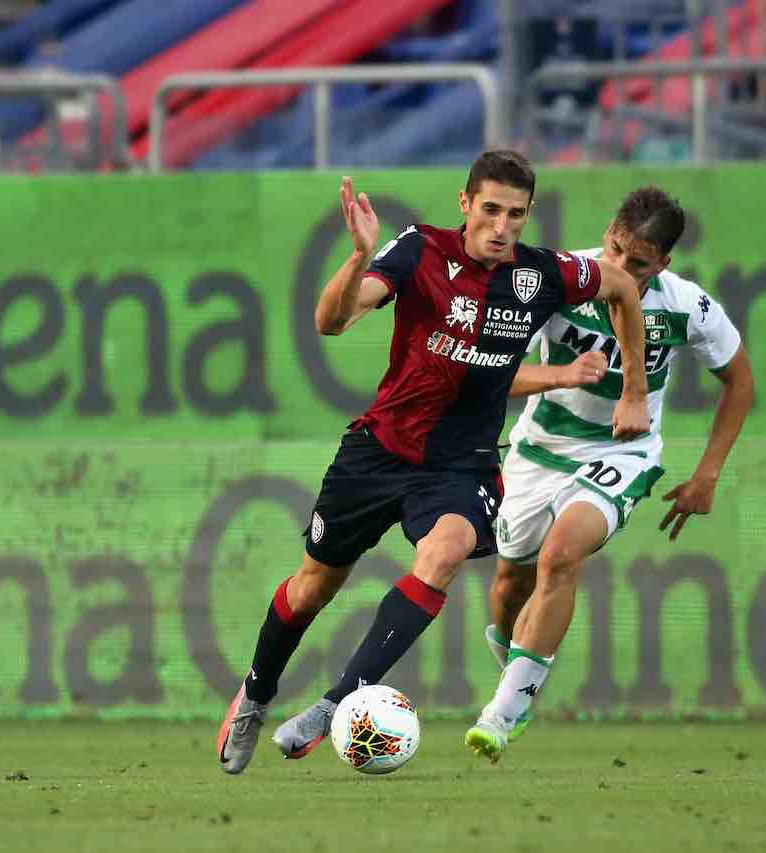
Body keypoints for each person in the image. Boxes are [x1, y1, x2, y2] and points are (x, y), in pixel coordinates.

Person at [217, 150, 654, 775]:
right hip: (378, 450)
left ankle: (336, 703)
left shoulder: (545, 273)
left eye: (517, 215)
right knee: (313, 586)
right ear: (465, 204)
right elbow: (331, 320)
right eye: (491, 210)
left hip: (461, 466)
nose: (503, 227)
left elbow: (621, 288)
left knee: (446, 551)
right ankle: (255, 697)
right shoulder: (421, 250)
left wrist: (635, 387)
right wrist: (359, 254)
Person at [465, 185, 755, 761]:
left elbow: (740, 382)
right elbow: (488, 373)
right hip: (539, 449)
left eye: (639, 263)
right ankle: (520, 669)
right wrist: (563, 374)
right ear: (607, 235)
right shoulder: (556, 282)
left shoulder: (686, 306)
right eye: (617, 252)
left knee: (562, 555)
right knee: (509, 588)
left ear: (664, 263)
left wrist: (707, 475)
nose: (621, 268)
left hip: (624, 454)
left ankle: (502, 714)